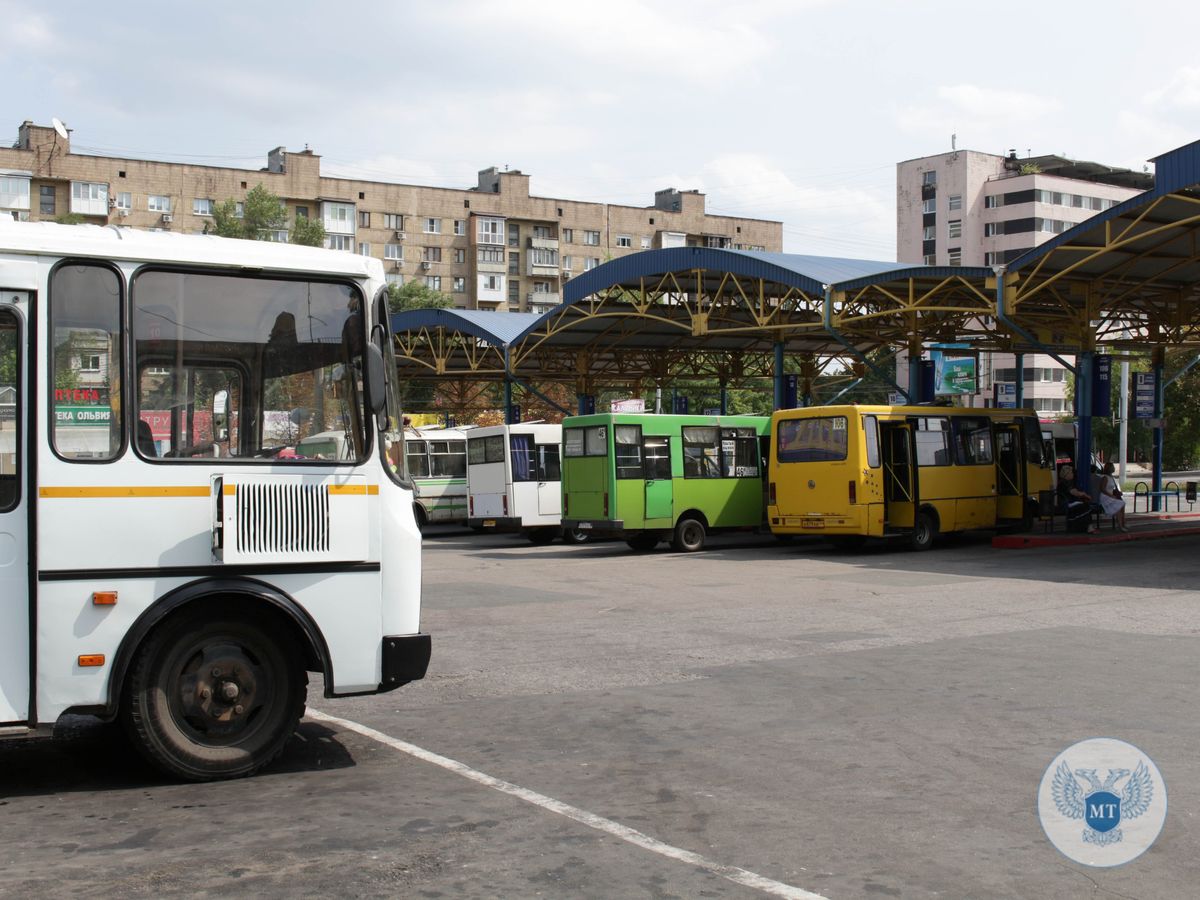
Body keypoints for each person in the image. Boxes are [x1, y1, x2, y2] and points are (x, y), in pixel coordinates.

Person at [1057, 464, 1100, 534]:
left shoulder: (1064, 482)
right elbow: (1074, 492)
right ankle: (1089, 527)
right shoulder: (1065, 482)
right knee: (1086, 506)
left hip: (1069, 502)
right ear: (1067, 474)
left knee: (1084, 505)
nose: (1073, 474)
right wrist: (1085, 494)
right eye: (1071, 472)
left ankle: (1085, 526)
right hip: (1067, 503)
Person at [1097, 461, 1129, 532]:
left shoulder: (1111, 477)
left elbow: (1112, 488)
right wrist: (1111, 495)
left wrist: (1116, 493)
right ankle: (1121, 526)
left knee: (1122, 504)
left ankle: (1123, 522)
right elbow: (1102, 489)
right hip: (1105, 497)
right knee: (1117, 508)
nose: (1114, 468)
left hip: (1110, 496)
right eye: (1112, 466)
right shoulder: (1105, 477)